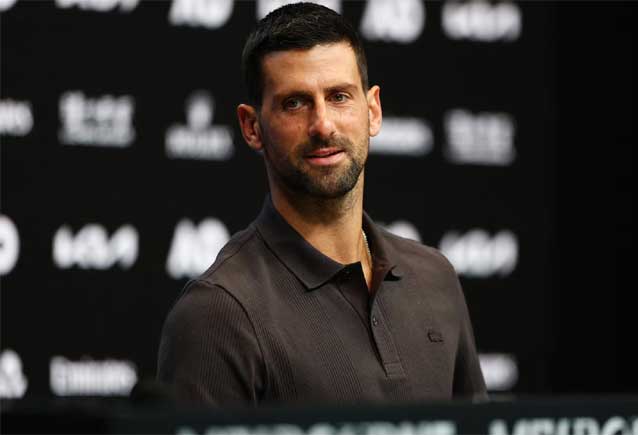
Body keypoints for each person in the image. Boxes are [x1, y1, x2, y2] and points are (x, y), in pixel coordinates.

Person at [157, 2, 487, 406]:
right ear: (251, 126)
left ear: (373, 110)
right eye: (294, 103)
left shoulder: (435, 277)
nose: (323, 125)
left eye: (339, 96)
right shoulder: (217, 312)